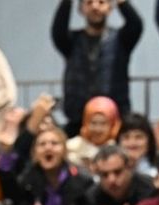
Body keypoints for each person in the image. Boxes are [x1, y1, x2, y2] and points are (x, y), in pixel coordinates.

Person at [52, 0, 144, 135]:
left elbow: (136, 25)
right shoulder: (71, 40)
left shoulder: (121, 39)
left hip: (115, 119)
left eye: (101, 2)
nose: (95, 6)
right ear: (81, 9)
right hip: (78, 121)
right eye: (89, 3)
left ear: (110, 8)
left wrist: (122, 3)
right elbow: (58, 31)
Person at [0, 126, 96, 205]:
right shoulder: (26, 183)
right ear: (35, 152)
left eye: (54, 143)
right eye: (42, 144)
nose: (48, 148)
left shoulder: (82, 181)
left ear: (64, 150)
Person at [65, 96, 121, 168]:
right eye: (93, 123)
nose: (97, 129)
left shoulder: (119, 150)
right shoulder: (70, 148)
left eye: (103, 124)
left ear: (113, 126)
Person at [118, 112, 158, 177]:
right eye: (126, 137)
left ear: (149, 142)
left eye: (138, 137)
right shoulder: (109, 177)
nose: (132, 143)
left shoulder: (157, 175)